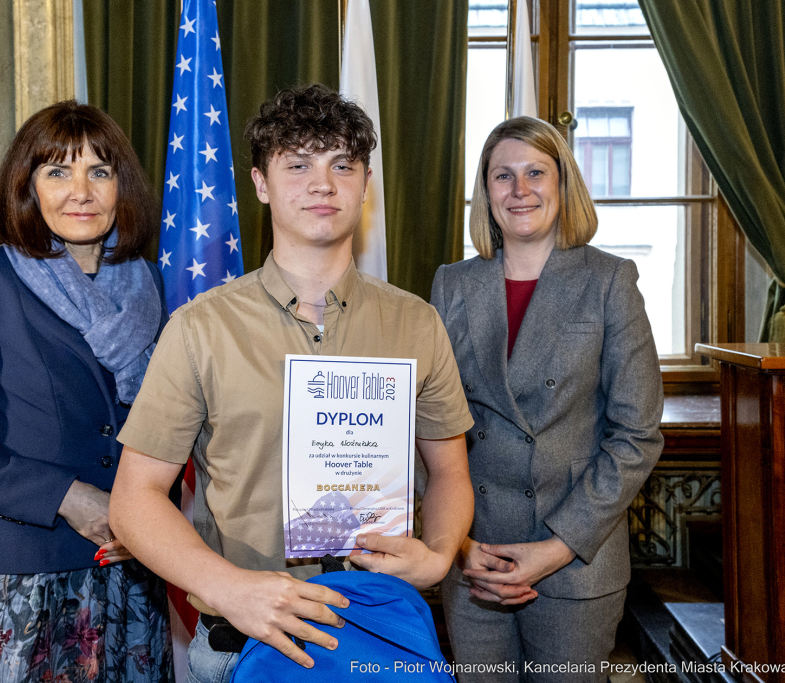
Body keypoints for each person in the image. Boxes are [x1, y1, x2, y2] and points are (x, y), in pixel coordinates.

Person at [108, 84, 476, 683]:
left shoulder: (416, 323)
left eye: (342, 165)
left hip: (379, 635)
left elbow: (452, 473)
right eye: (298, 164)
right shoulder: (200, 327)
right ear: (260, 184)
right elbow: (134, 498)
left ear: (364, 184)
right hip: (238, 648)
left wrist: (436, 560)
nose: (322, 183)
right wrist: (232, 591)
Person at [0, 101, 174, 683]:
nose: (82, 190)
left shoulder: (150, 283)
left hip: (136, 576)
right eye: (57, 172)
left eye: (100, 171)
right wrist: (68, 496)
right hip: (25, 585)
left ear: (122, 186)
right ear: (27, 187)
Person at [431, 116, 664, 681]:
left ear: (563, 184)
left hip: (576, 561)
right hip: (474, 559)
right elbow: (430, 427)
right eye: (502, 176)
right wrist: (455, 542)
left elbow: (636, 436)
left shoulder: (610, 280)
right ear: (485, 193)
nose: (520, 190)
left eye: (536, 172)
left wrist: (556, 549)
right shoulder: (451, 284)